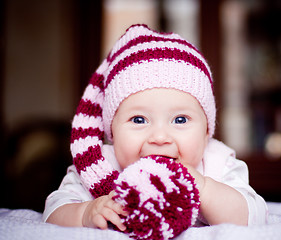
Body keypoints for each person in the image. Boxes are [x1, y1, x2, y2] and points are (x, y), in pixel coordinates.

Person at [43, 24, 267, 231]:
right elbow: (53, 213)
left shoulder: (217, 163)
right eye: (139, 120)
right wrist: (85, 213)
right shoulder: (98, 166)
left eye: (180, 120)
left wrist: (204, 189)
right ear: (112, 131)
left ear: (207, 130)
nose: (159, 137)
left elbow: (254, 217)